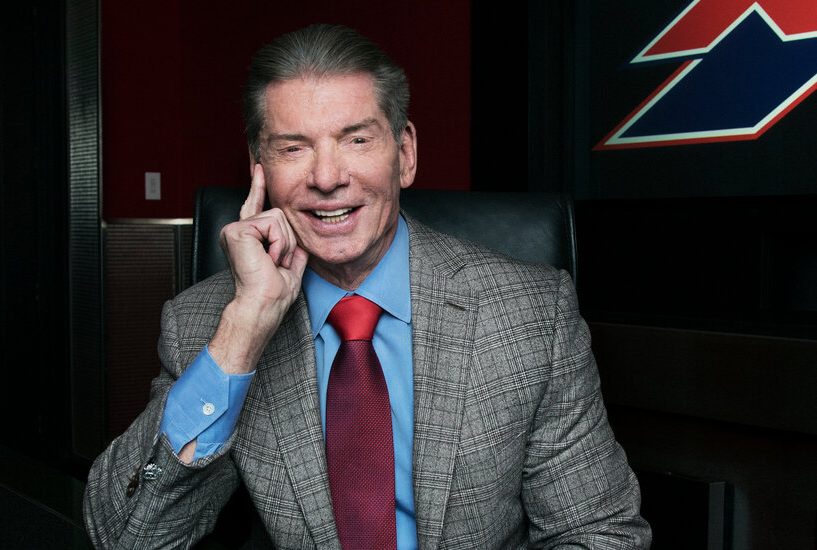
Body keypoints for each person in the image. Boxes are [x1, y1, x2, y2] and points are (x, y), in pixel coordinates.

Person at [84, 24, 651, 549]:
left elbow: (599, 532)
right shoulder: (205, 325)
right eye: (293, 148)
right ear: (259, 168)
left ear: (404, 154)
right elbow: (126, 538)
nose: (327, 177)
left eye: (356, 140)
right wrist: (244, 331)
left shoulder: (531, 314)